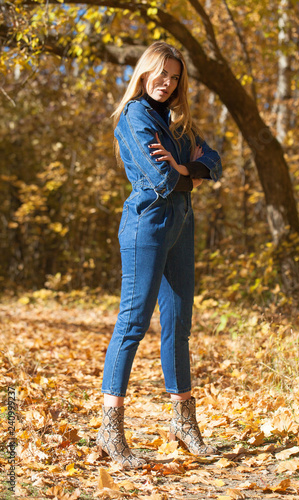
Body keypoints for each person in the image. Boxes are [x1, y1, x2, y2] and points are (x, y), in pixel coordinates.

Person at [96, 41, 222, 469]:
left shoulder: (178, 123)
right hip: (146, 227)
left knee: (179, 324)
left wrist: (187, 167)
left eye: (174, 76)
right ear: (145, 72)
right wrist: (186, 171)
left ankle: (183, 424)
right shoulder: (135, 116)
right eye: (161, 73)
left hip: (181, 228)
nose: (167, 82)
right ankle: (110, 429)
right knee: (133, 322)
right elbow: (161, 178)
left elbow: (215, 163)